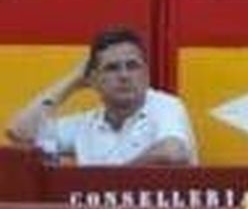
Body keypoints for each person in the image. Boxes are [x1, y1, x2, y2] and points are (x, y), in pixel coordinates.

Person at [5, 27, 197, 165]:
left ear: (146, 74)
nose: (124, 75)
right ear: (94, 80)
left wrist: (108, 185)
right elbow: (19, 133)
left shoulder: (164, 105)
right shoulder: (85, 125)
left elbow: (172, 152)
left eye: (132, 66)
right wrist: (71, 81)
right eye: (112, 68)